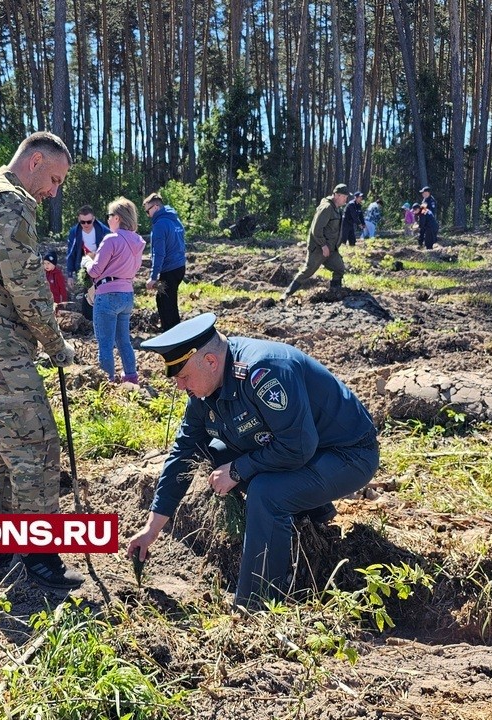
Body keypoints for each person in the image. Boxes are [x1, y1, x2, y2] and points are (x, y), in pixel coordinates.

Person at [126, 313, 379, 609]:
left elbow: (298, 447)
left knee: (267, 493)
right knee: (213, 452)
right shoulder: (204, 391)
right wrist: (152, 529)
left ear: (210, 361)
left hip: (348, 454)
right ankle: (313, 511)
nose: (180, 387)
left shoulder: (263, 371)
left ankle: (257, 604)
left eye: (183, 376)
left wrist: (237, 470)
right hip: (305, 450)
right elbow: (183, 453)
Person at [0, 131, 83, 590]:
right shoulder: (10, 201)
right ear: (35, 160)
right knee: (36, 446)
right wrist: (55, 343)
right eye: (55, 179)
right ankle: (40, 556)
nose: (54, 191)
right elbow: (26, 287)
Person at [84, 197, 146, 384]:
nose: (108, 219)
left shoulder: (112, 239)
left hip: (107, 295)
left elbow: (95, 271)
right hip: (127, 295)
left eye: (110, 216)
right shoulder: (138, 241)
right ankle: (131, 377)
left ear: (117, 218)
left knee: (105, 344)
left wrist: (87, 261)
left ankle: (107, 381)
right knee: (124, 341)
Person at [282, 184, 349, 298]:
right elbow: (316, 229)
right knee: (307, 272)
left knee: (339, 268)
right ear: (337, 195)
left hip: (331, 250)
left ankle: (335, 292)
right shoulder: (327, 208)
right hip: (319, 248)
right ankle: (286, 295)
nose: (346, 199)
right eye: (344, 196)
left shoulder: (335, 209)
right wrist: (323, 246)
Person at [143, 192, 187, 331]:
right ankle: (174, 331)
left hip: (169, 270)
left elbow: (159, 253)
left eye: (147, 211)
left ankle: (172, 336)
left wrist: (153, 277)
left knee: (165, 304)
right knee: (167, 300)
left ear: (155, 207)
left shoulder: (160, 225)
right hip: (180, 267)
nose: (148, 215)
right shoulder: (175, 220)